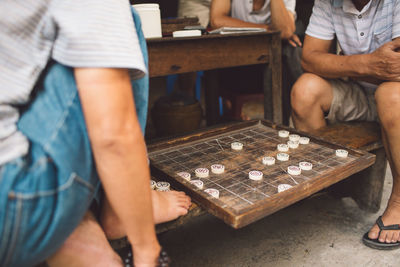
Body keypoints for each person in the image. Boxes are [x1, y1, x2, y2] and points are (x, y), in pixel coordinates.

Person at [0, 1, 190, 266]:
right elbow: (113, 134)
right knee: (121, 25)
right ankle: (121, 209)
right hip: (13, 209)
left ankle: (79, 223)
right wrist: (147, 251)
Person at [290, 0, 400, 250]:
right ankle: (328, 184)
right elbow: (309, 59)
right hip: (360, 92)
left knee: (391, 96)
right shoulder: (328, 2)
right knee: (305, 90)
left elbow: (397, 69)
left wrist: (341, 64)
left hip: (395, 95)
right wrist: (366, 64)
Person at [210, 0, 303, 124]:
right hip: (236, 66)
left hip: (271, 66)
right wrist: (267, 29)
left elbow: (285, 31)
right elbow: (217, 20)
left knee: (290, 50)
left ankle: (280, 126)